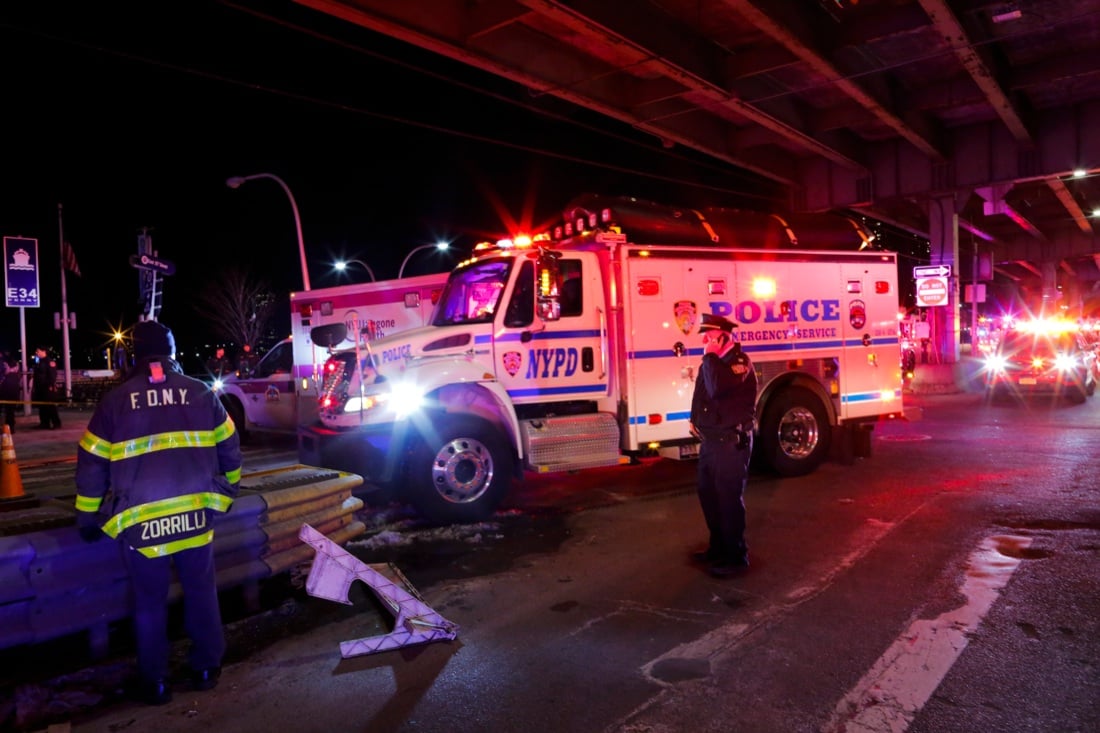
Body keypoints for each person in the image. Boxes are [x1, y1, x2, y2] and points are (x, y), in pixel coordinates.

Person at [74, 320, 243, 705]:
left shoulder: (116, 401)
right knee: (201, 592)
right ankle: (204, 668)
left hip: (140, 524)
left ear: (133, 354)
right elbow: (230, 446)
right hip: (196, 517)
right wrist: (226, 491)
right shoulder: (200, 393)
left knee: (149, 602)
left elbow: (91, 463)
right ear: (172, 351)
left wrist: (87, 515)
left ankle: (156, 682)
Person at [688, 313, 757, 578]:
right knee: (709, 496)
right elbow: (702, 393)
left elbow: (717, 388)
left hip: (730, 443)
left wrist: (710, 356)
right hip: (711, 443)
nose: (705, 339)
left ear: (724, 335)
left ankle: (736, 556)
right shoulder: (714, 362)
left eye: (709, 334)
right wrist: (694, 420)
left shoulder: (738, 362)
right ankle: (718, 548)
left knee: (728, 500)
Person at [31, 346, 61, 429]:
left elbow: (52, 376)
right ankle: (44, 423)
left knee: (51, 407)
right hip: (40, 388)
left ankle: (56, 423)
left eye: (38, 351)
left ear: (44, 351)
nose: (36, 353)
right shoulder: (39, 362)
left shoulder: (49, 362)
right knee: (42, 407)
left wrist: (49, 385)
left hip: (47, 388)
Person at [0, 353, 20, 432]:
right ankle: (11, 427)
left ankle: (8, 427)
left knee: (5, 409)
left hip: (5, 388)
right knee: (10, 410)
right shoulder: (16, 364)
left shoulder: (2, 363)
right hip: (14, 388)